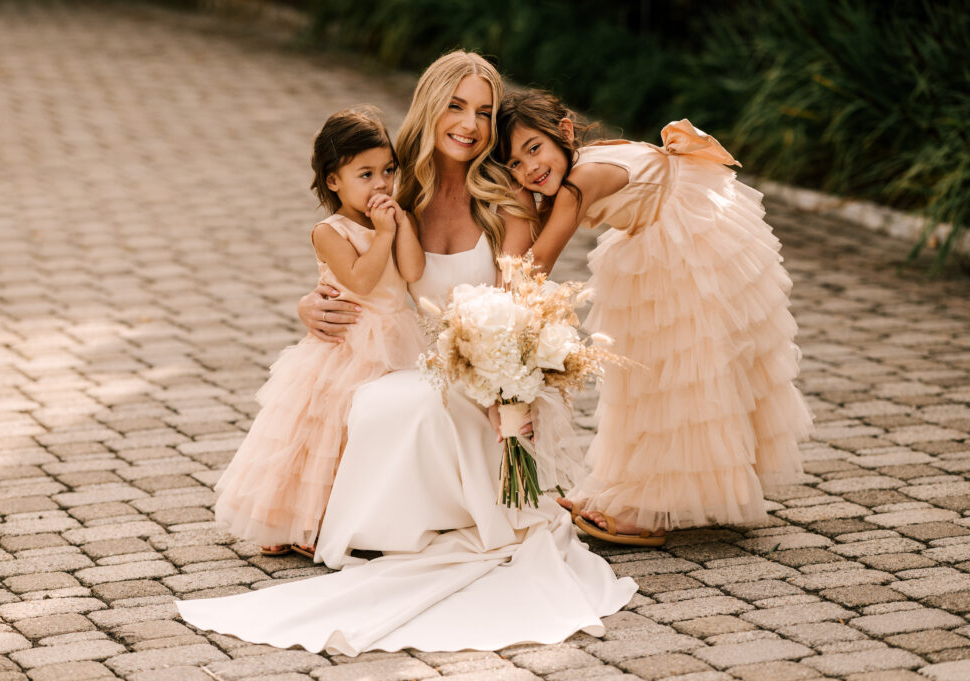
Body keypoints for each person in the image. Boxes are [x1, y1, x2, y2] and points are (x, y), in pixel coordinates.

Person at [177, 51, 637, 656]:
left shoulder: (507, 201)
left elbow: (522, 307)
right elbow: (351, 272)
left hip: (486, 379)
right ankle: (376, 529)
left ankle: (427, 519)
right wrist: (308, 305)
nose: (469, 124)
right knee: (383, 401)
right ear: (429, 104)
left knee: (412, 404)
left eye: (483, 111)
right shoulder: (397, 189)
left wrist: (502, 369)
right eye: (455, 105)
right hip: (401, 361)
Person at [495, 89, 813, 545]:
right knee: (652, 380)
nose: (530, 170)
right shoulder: (585, 156)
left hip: (685, 248)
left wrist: (517, 213)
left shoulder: (575, 185)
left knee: (668, 379)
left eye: (534, 149)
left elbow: (536, 263)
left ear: (563, 132)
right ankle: (623, 490)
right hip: (690, 226)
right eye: (514, 165)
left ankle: (648, 509)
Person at [212, 108, 425, 559]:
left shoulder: (395, 217)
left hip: (397, 339)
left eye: (388, 170)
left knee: (369, 435)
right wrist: (384, 232)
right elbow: (362, 282)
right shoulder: (330, 231)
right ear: (334, 182)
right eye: (365, 174)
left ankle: (358, 514)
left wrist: (400, 225)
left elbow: (413, 270)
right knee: (324, 435)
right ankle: (301, 520)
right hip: (348, 343)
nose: (381, 184)